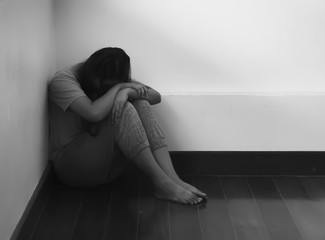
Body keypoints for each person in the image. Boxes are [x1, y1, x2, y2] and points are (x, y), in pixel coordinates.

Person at [48, 47, 206, 205]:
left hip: (104, 167)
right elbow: (93, 113)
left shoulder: (113, 76)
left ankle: (173, 179)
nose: (106, 87)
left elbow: (155, 96)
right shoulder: (63, 80)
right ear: (92, 73)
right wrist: (119, 88)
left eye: (113, 84)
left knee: (140, 102)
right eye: (105, 83)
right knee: (125, 108)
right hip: (72, 167)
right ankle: (162, 183)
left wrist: (127, 92)